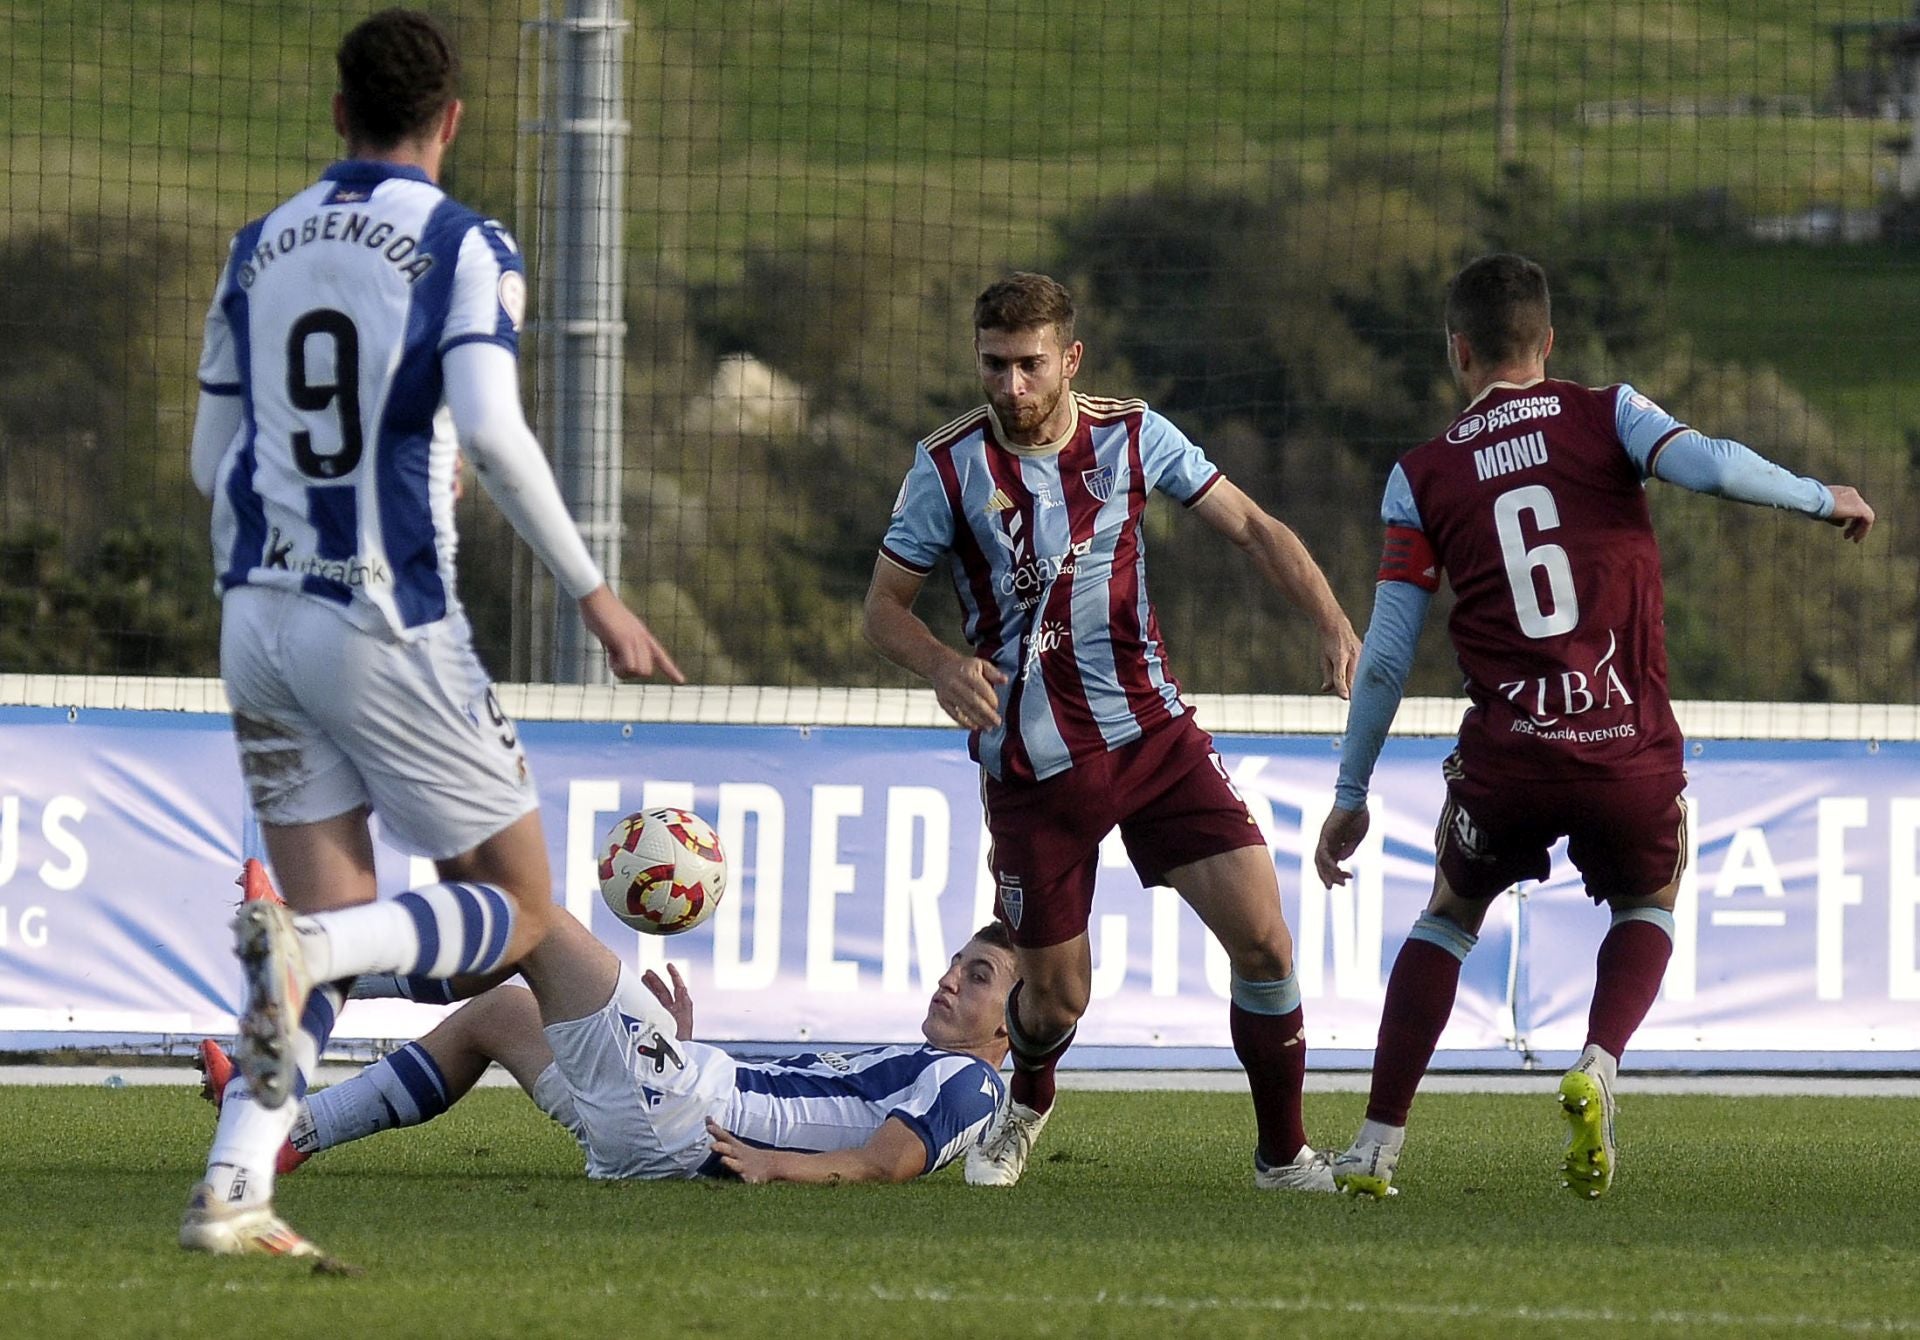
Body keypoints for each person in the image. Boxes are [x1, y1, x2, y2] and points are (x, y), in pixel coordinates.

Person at [181, 9, 681, 1256]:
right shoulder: (461, 241)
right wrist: (594, 592)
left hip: (255, 612)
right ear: (450, 120)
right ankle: (310, 947)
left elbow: (211, 460)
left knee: (334, 926)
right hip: (383, 610)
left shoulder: (255, 247)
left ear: (338, 114)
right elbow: (496, 433)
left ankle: (235, 1189)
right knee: (514, 909)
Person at [1314, 252, 1876, 1200]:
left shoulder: (1422, 475)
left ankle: (1375, 1145)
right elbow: (1713, 466)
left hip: (1510, 759)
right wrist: (1822, 497)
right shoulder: (1607, 412)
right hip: (1628, 750)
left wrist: (1350, 792)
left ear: (1458, 352)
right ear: (1549, 344)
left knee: (1450, 914)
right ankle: (1599, 1063)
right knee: (1650, 896)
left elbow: (1383, 657)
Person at [863, 272, 1363, 1190]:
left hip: (1154, 741)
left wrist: (1331, 619)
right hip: (1032, 767)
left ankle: (1283, 1155)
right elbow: (882, 608)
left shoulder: (1132, 435)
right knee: (1055, 1001)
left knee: (1265, 939)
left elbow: (1252, 526)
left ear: (1070, 360)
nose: (1010, 387)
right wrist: (941, 663)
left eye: (1029, 366)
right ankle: (1028, 1101)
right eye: (993, 365)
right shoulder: (946, 469)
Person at [199, 915, 1017, 1187]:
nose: (951, 980)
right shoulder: (931, 1061)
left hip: (683, 1121)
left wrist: (774, 1167)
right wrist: (681, 1051)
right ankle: (288, 1137)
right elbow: (811, 1109)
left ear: (1010, 1030)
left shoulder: (972, 1085)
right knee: (496, 1014)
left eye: (977, 977)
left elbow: (889, 1161)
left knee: (537, 924)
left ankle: (322, 964)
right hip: (675, 1109)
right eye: (956, 964)